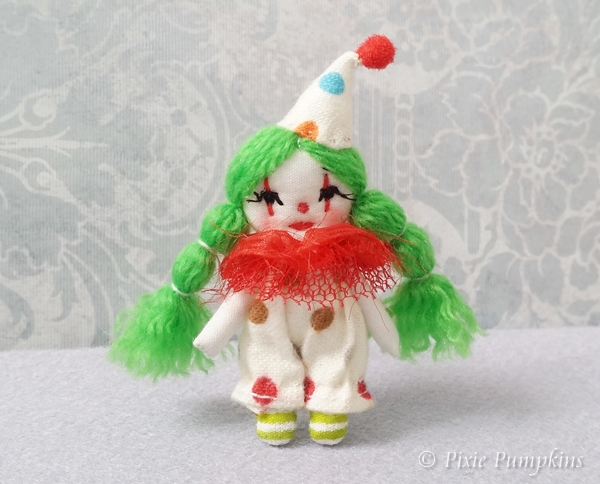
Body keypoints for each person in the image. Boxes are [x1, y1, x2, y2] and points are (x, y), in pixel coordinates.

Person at [109, 35, 481, 446]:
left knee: (337, 350)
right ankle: (275, 403)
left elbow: (364, 296)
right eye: (271, 198)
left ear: (354, 199)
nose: (301, 209)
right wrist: (212, 335)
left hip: (333, 322)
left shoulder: (344, 256)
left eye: (327, 194)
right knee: (267, 348)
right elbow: (239, 300)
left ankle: (331, 402)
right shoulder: (259, 259)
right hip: (268, 321)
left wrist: (386, 333)